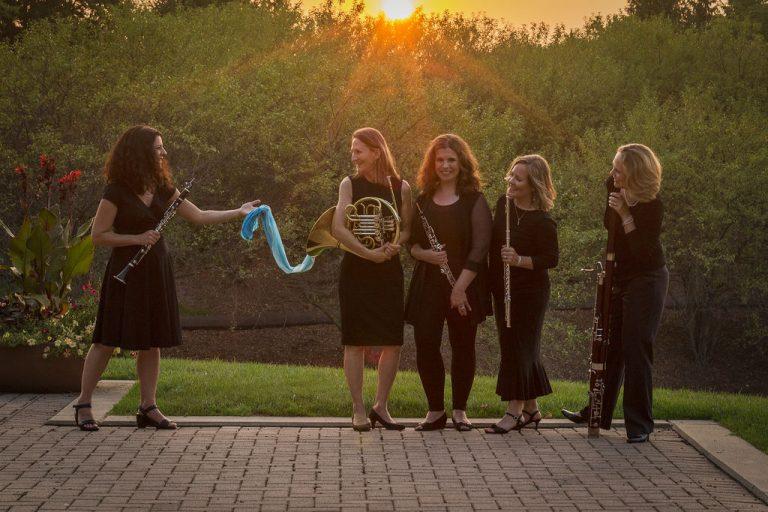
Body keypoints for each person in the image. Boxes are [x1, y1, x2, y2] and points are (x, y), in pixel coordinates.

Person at [72, 125, 260, 431]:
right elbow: (98, 236)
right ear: (141, 153)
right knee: (106, 340)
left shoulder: (162, 188)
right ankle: (83, 403)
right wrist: (135, 238)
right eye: (158, 148)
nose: (164, 153)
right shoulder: (116, 190)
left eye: (163, 148)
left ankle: (148, 406)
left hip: (155, 269)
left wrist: (239, 212)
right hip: (126, 272)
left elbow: (199, 216)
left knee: (152, 341)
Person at [561, 143, 668, 443]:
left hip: (647, 280)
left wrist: (625, 214)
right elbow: (608, 226)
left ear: (634, 173)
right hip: (620, 277)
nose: (612, 174)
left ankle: (640, 425)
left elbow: (643, 254)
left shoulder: (652, 206)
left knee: (636, 348)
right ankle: (596, 412)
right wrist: (617, 210)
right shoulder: (613, 187)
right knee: (610, 348)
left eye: (618, 170)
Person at [406, 134, 492, 432]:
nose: (445, 165)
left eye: (451, 160)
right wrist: (427, 255)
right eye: (440, 160)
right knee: (426, 345)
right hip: (429, 284)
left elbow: (481, 249)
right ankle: (435, 411)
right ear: (432, 164)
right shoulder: (422, 201)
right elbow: (413, 246)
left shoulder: (475, 200)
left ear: (462, 163)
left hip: (465, 285)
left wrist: (459, 289)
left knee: (463, 346)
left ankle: (460, 411)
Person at [333, 127, 413, 431]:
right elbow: (340, 228)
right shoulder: (349, 184)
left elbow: (405, 228)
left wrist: (396, 243)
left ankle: (381, 405)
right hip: (357, 269)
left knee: (393, 341)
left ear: (376, 152)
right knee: (354, 342)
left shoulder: (400, 187)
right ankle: (358, 409)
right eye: (353, 151)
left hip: (388, 269)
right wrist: (369, 254)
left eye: (359, 151)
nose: (353, 157)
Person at [484, 155, 558, 434]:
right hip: (503, 290)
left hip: (530, 294)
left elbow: (551, 259)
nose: (510, 182)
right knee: (515, 346)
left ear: (534, 184)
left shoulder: (543, 221)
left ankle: (513, 412)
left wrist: (519, 260)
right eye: (510, 176)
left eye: (518, 178)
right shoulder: (504, 205)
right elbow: (493, 247)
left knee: (519, 348)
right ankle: (532, 409)